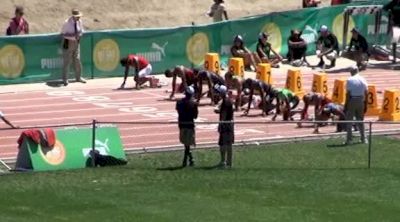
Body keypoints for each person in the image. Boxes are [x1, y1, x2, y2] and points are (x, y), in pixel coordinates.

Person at [61, 9, 86, 86]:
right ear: (73, 16)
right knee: (67, 61)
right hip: (69, 42)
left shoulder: (79, 22)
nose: (78, 18)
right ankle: (65, 79)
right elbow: (63, 33)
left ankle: (78, 77)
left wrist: (80, 34)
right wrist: (72, 36)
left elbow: (82, 30)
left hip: (77, 42)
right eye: (77, 16)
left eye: (79, 16)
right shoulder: (67, 23)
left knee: (77, 59)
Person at [344, 66, 368, 145]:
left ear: (351, 72)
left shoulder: (350, 80)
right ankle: (363, 138)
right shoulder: (363, 79)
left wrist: (346, 104)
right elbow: (366, 92)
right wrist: (365, 103)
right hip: (361, 100)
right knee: (360, 120)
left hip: (352, 99)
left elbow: (348, 94)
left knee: (349, 121)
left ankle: (349, 139)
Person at [176, 86, 198, 167]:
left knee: (186, 144)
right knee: (187, 144)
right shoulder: (193, 103)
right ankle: (187, 160)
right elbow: (195, 116)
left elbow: (179, 112)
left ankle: (188, 159)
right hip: (189, 125)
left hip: (181, 124)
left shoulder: (179, 102)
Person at [214, 85, 234, 168]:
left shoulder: (225, 101)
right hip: (230, 124)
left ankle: (223, 161)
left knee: (223, 143)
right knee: (229, 144)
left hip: (225, 124)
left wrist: (220, 124)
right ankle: (229, 162)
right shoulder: (229, 100)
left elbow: (224, 115)